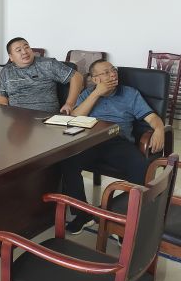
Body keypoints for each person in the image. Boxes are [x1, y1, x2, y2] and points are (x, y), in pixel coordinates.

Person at [62, 59, 165, 234]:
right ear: (95, 79)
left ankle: (128, 220)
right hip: (90, 141)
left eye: (113, 70)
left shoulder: (130, 94)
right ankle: (82, 214)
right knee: (67, 162)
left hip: (118, 141)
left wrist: (160, 129)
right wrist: (96, 94)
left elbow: (152, 117)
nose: (113, 75)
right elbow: (75, 118)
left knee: (140, 166)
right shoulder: (88, 94)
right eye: (106, 72)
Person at [0, 37, 84, 114]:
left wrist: (70, 104)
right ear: (11, 57)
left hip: (43, 116)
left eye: (27, 47)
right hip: (16, 118)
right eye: (19, 50)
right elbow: (1, 95)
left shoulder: (48, 64)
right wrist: (5, 112)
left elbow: (77, 77)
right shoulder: (6, 71)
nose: (24, 52)